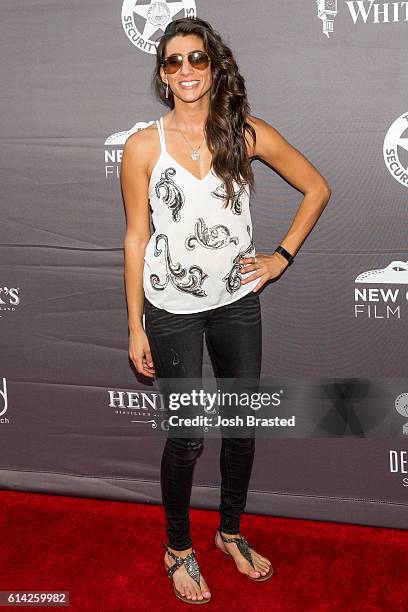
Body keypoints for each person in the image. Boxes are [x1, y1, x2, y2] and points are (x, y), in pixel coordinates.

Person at [121, 16, 331, 605]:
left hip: (237, 304)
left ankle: (230, 533)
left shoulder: (246, 135)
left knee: (240, 430)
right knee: (186, 437)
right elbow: (136, 237)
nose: (184, 70)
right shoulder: (142, 146)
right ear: (161, 74)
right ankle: (178, 548)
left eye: (196, 59)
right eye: (172, 61)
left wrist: (280, 259)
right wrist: (134, 321)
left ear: (214, 66)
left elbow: (317, 187)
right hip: (170, 309)